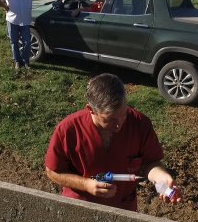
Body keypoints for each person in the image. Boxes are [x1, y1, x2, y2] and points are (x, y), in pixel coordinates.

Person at [45, 73, 182, 211]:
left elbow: (151, 164)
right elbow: (53, 172)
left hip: (123, 209)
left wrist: (162, 179)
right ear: (91, 110)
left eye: (123, 114)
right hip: (81, 207)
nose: (119, 125)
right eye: (110, 120)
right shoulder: (68, 130)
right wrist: (86, 184)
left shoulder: (140, 124)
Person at [0, 0, 65, 70]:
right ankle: (17, 61)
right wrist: (5, 6)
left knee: (27, 42)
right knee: (14, 42)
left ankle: (26, 61)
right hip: (12, 20)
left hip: (25, 21)